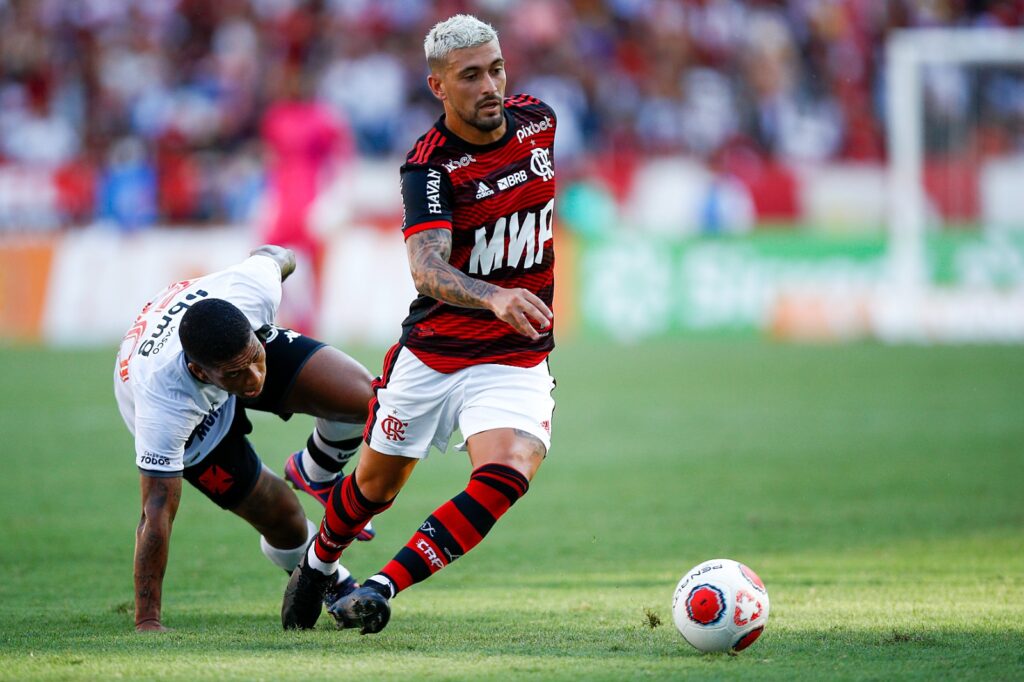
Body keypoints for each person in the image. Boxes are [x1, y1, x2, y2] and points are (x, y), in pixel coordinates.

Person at [281, 14, 558, 633]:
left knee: (509, 470)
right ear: (438, 86)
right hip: (435, 354)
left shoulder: (539, 122)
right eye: (470, 76)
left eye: (496, 69)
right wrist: (493, 296)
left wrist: (508, 307)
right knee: (376, 487)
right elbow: (426, 267)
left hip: (515, 355)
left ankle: (383, 585)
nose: (489, 85)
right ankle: (319, 559)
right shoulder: (428, 167)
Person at [114, 245, 374, 632]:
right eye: (237, 374)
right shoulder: (163, 402)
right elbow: (156, 512)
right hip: (197, 427)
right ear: (199, 371)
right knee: (283, 517)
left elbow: (278, 255)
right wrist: (147, 620)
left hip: (232, 339)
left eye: (256, 360)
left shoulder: (252, 293)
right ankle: (332, 581)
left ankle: (316, 470)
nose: (254, 380)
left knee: (367, 399)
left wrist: (250, 355)